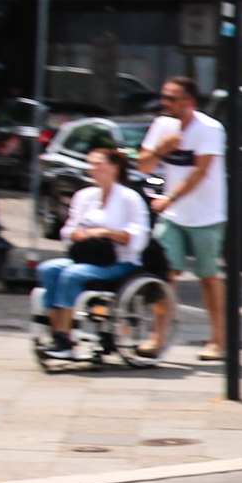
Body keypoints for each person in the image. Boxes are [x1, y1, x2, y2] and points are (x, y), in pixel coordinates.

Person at [138, 77, 228, 359]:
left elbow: (199, 172)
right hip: (174, 216)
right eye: (164, 97)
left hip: (207, 215)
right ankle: (157, 335)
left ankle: (218, 339)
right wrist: (160, 149)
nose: (165, 103)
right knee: (165, 273)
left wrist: (170, 197)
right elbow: (143, 165)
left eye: (172, 99)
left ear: (189, 103)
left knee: (207, 276)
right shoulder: (162, 125)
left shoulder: (210, 129)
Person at [34, 144, 151, 360]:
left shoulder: (129, 198)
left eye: (99, 164)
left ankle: (64, 338)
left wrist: (106, 232)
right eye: (91, 165)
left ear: (114, 167)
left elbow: (138, 235)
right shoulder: (85, 196)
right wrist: (77, 234)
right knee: (48, 269)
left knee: (73, 275)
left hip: (118, 261)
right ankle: (58, 333)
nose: (93, 169)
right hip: (86, 256)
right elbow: (69, 228)